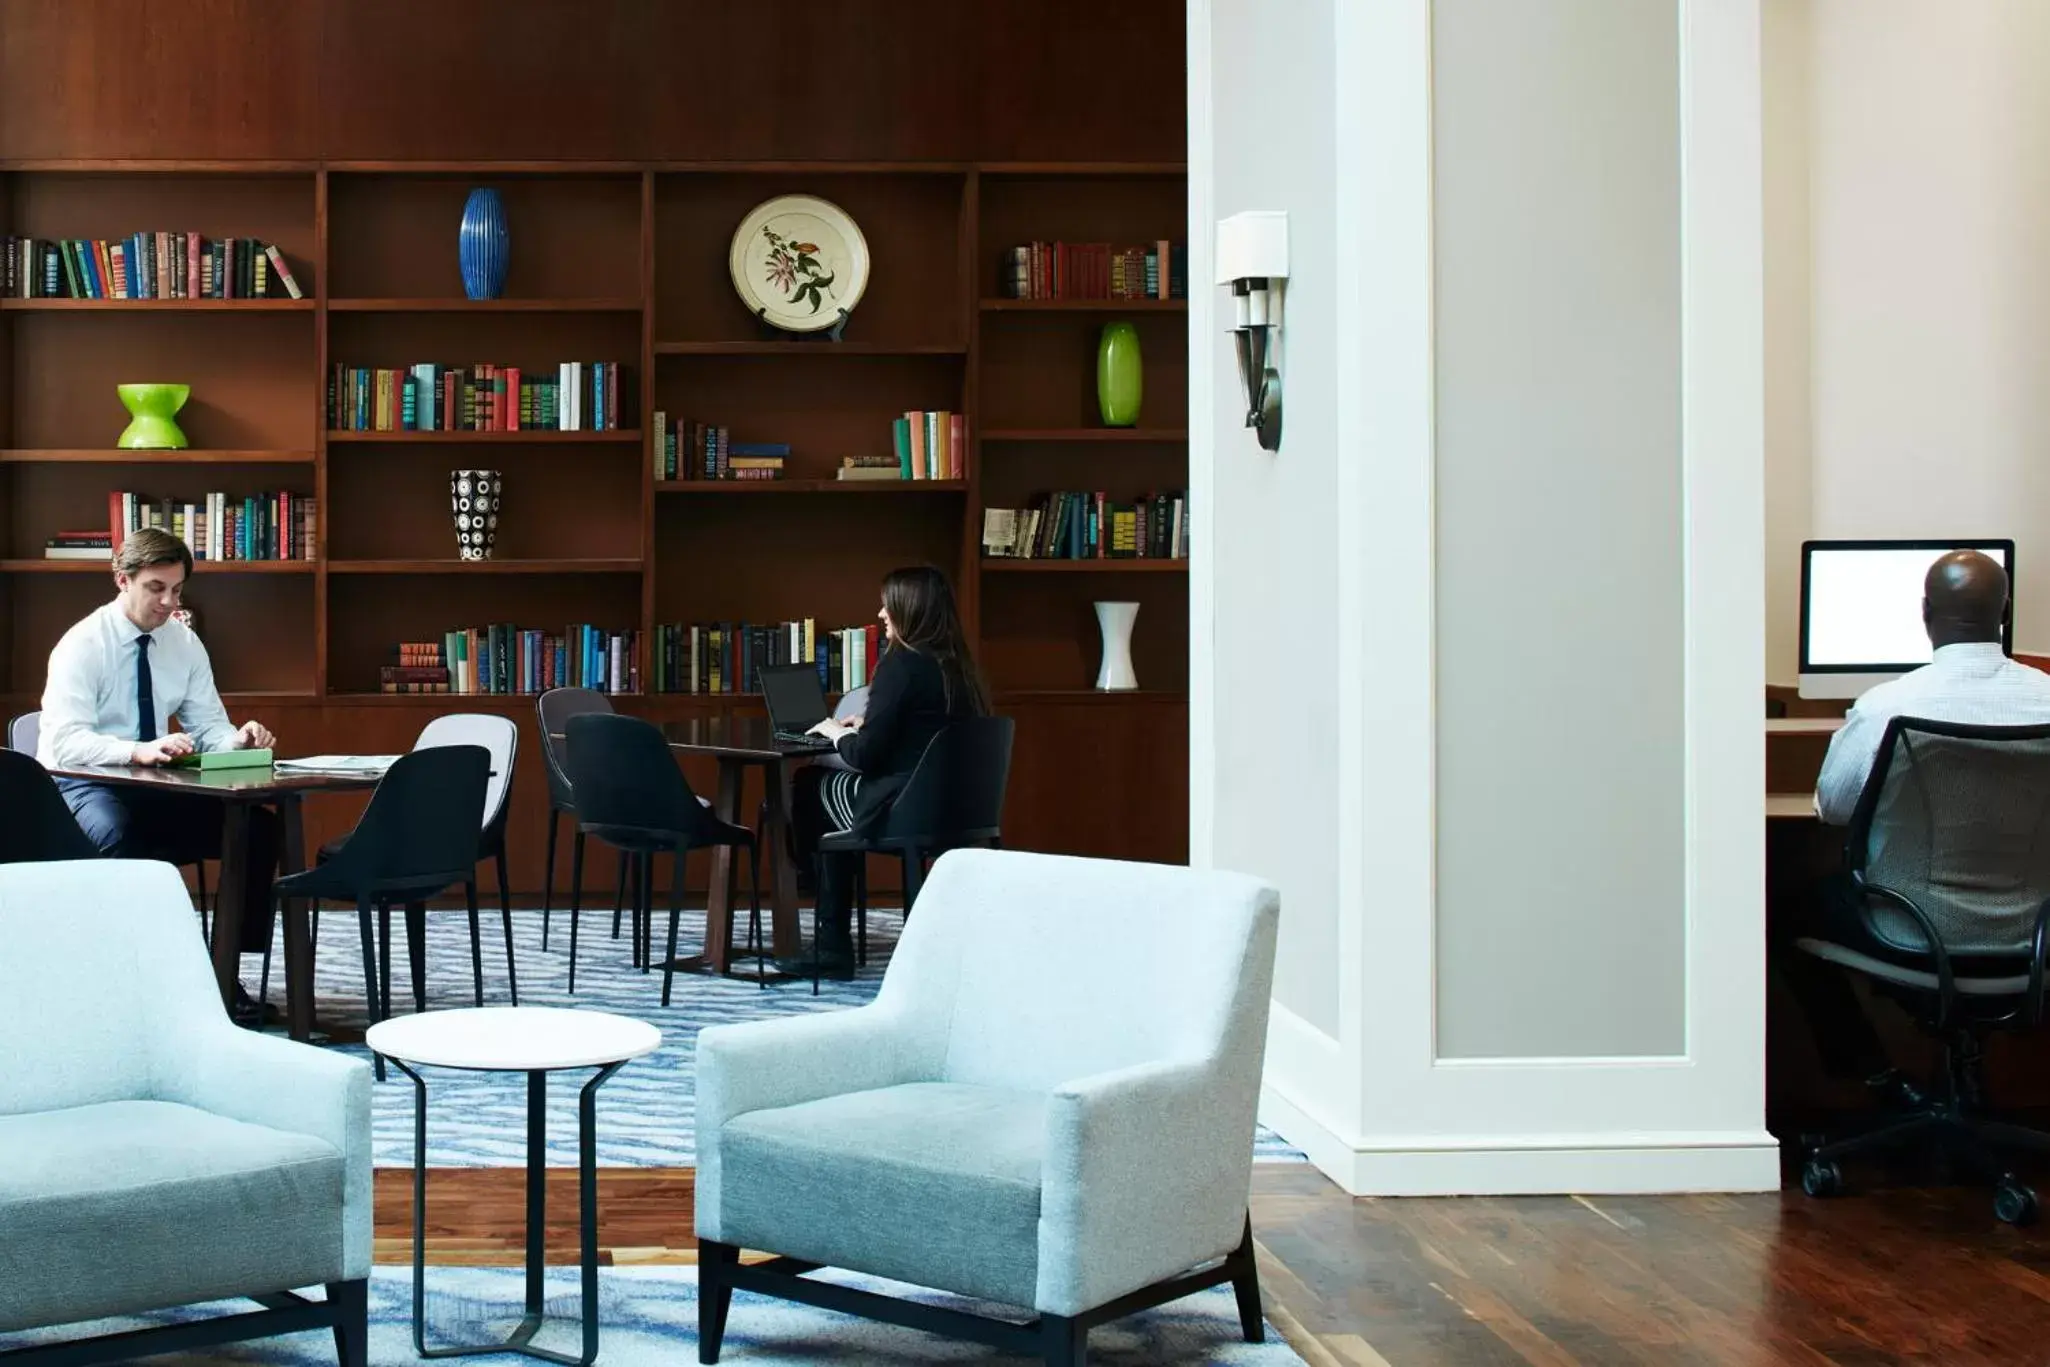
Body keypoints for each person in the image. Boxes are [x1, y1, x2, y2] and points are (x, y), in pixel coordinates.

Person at [1790, 548, 2050, 1091]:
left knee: (1787, 911)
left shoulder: (1887, 707)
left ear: (1925, 615)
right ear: (2004, 614)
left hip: (1909, 928)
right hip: (2035, 933)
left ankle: (1876, 1079)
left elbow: (1834, 809)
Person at [37, 527, 281, 1020]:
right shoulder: (82, 645)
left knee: (257, 828)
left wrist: (238, 739)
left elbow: (208, 724)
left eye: (177, 589)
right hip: (85, 784)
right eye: (156, 588)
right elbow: (63, 743)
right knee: (115, 833)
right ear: (121, 580)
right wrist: (136, 749)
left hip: (154, 785)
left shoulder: (183, 643)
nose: (169, 602)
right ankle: (131, 980)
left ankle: (222, 970)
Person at [779, 564, 989, 978]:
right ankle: (819, 900)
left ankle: (830, 943)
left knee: (809, 786)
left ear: (908, 611)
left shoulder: (902, 665)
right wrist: (867, 724)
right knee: (825, 792)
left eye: (887, 606)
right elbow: (919, 732)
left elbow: (866, 759)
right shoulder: (962, 668)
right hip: (958, 810)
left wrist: (836, 732)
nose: (880, 614)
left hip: (904, 808)